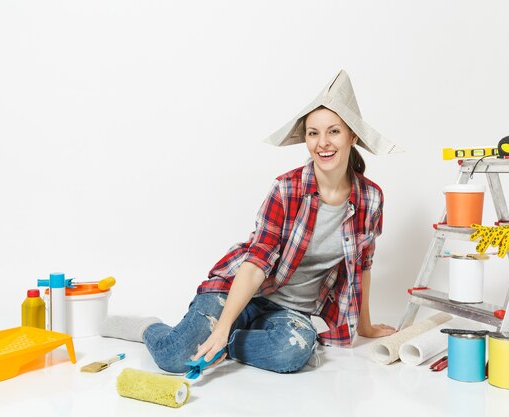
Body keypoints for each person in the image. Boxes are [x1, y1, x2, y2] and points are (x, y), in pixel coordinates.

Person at [101, 70, 403, 374]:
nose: (322, 143)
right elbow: (256, 262)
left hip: (288, 311)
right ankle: (150, 327)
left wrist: (364, 326)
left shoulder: (370, 199)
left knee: (292, 351)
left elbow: (361, 267)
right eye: (313, 133)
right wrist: (220, 327)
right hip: (238, 291)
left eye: (334, 131)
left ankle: (230, 342)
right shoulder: (286, 189)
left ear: (353, 136)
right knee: (175, 358)